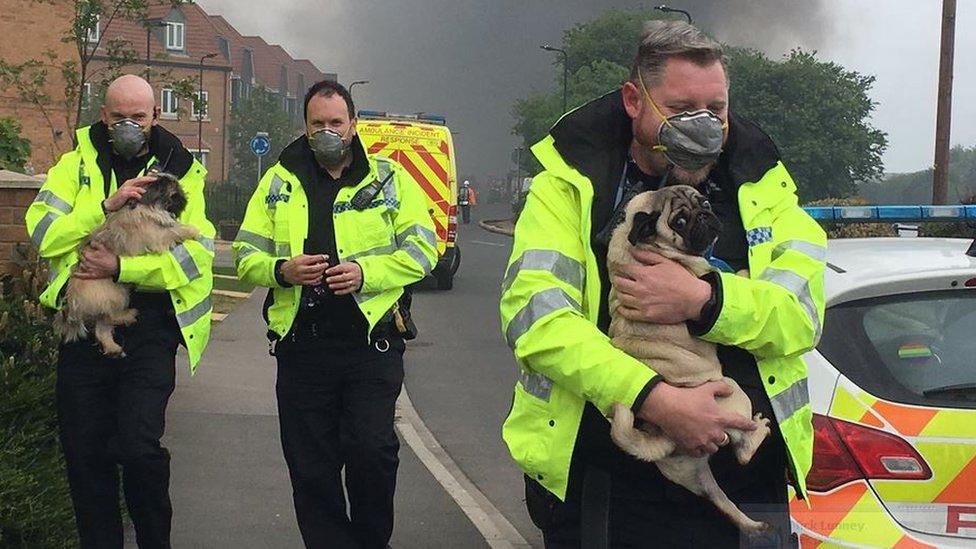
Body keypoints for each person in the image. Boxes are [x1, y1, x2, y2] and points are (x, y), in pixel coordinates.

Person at [499, 21, 826, 548]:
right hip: (611, 481)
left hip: (746, 483)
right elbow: (539, 321)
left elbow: (800, 316)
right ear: (634, 99)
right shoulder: (569, 185)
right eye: (679, 111)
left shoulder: (765, 187)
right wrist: (654, 400)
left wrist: (705, 300)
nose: (701, 127)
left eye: (715, 111)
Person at [233, 80, 437, 549]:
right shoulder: (278, 181)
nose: (327, 132)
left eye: (335, 123)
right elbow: (244, 255)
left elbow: (423, 249)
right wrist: (281, 270)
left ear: (353, 125)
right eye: (317, 124)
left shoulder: (388, 179)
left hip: (371, 347)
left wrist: (367, 273)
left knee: (373, 452)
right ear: (305, 128)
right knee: (311, 468)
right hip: (302, 348)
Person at [25, 74, 215, 548]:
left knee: (137, 448)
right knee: (86, 456)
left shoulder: (183, 169)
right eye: (119, 116)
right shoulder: (74, 166)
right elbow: (43, 234)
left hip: (150, 330)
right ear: (104, 116)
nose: (128, 124)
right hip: (86, 327)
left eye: (139, 116)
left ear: (154, 117)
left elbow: (195, 257)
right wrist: (103, 207)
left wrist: (123, 266)